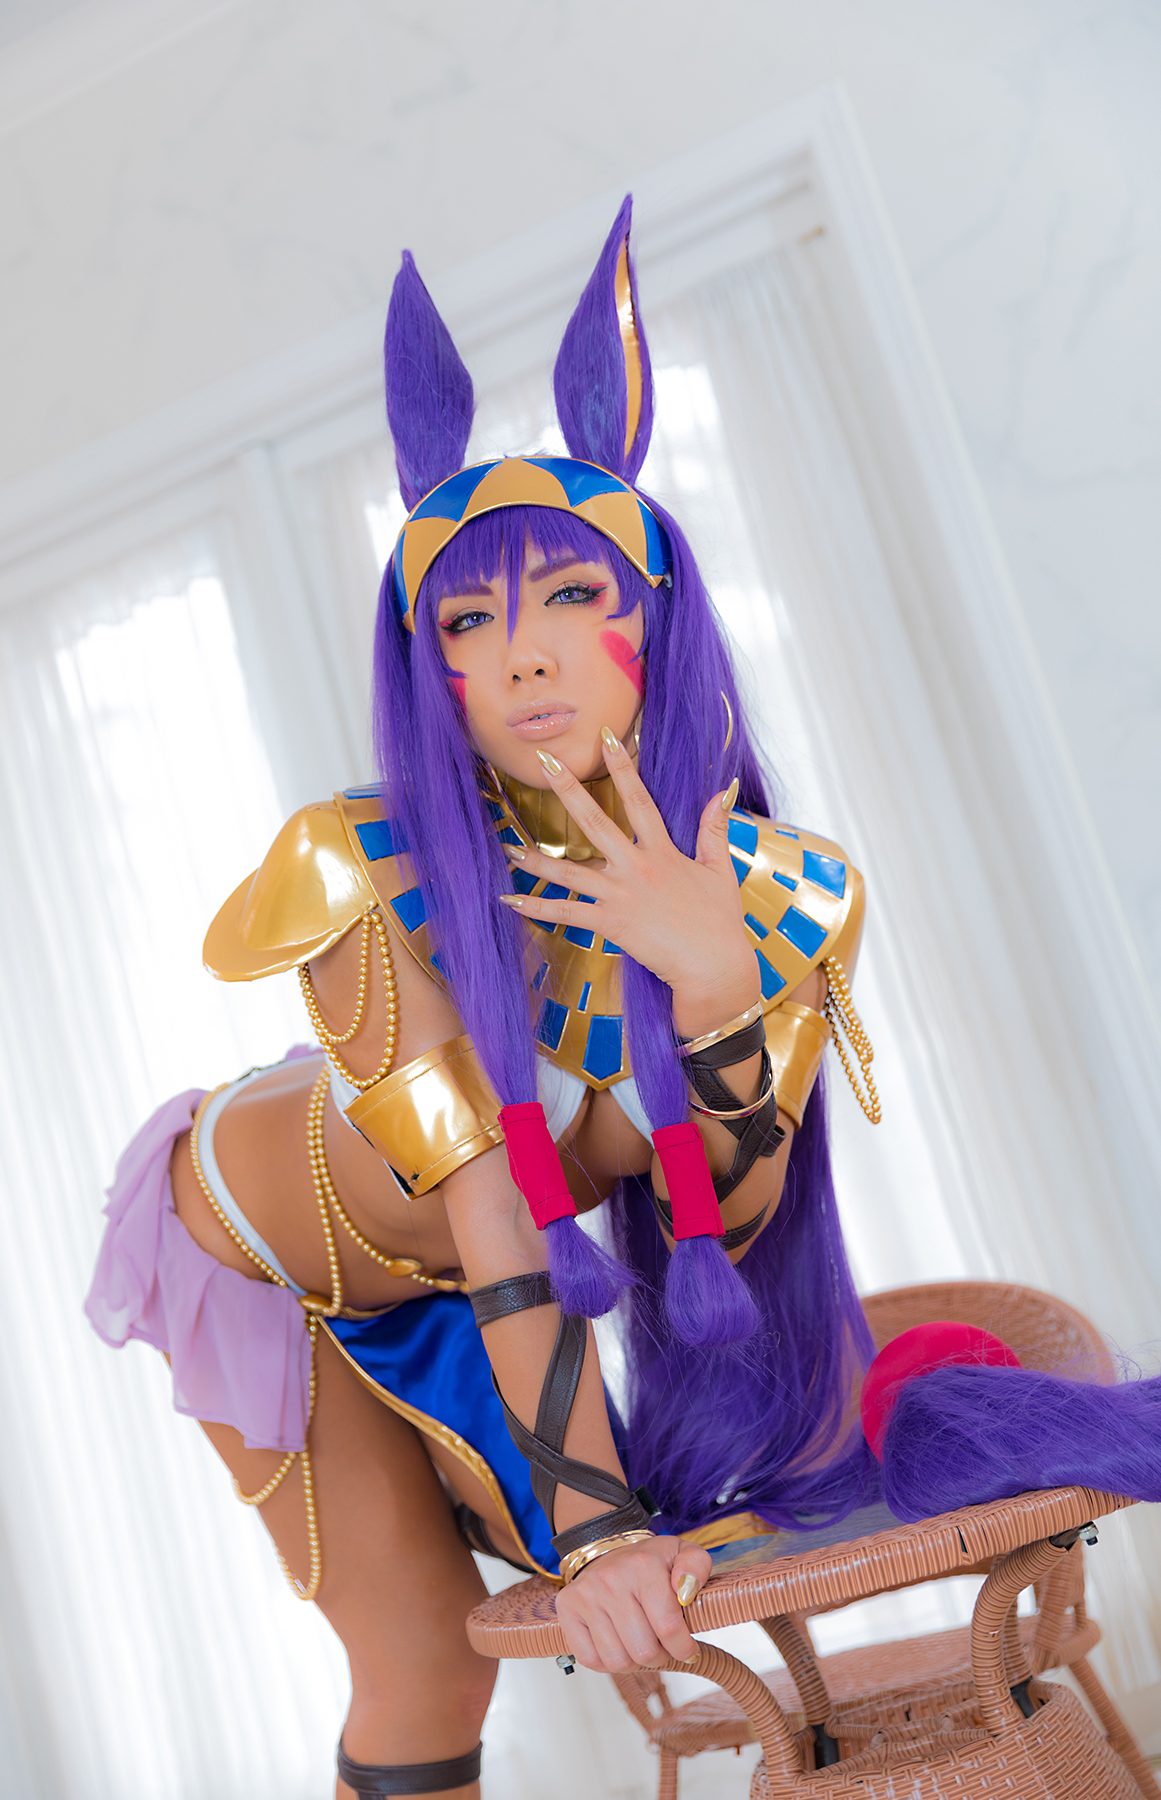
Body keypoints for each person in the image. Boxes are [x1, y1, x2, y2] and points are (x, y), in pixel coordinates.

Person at [87, 198, 1159, 1800]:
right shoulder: (362, 869)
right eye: (471, 621)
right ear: (430, 667)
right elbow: (488, 1201)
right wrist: (595, 1540)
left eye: (574, 598)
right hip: (254, 1249)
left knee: (463, 1651)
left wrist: (713, 977)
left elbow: (734, 1206)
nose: (526, 656)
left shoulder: (787, 890)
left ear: (659, 614)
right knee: (423, 1669)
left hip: (463, 1289)